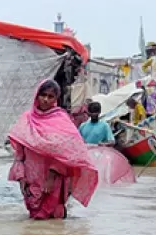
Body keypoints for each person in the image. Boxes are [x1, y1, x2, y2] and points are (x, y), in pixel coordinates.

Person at [7, 79, 100, 220]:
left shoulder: (61, 120)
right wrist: (21, 178)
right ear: (37, 95)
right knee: (34, 221)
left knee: (53, 218)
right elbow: (20, 154)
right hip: (31, 181)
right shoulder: (26, 119)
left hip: (53, 179)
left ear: (56, 99)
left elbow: (66, 153)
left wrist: (51, 177)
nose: (45, 99)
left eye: (50, 96)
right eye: (43, 95)